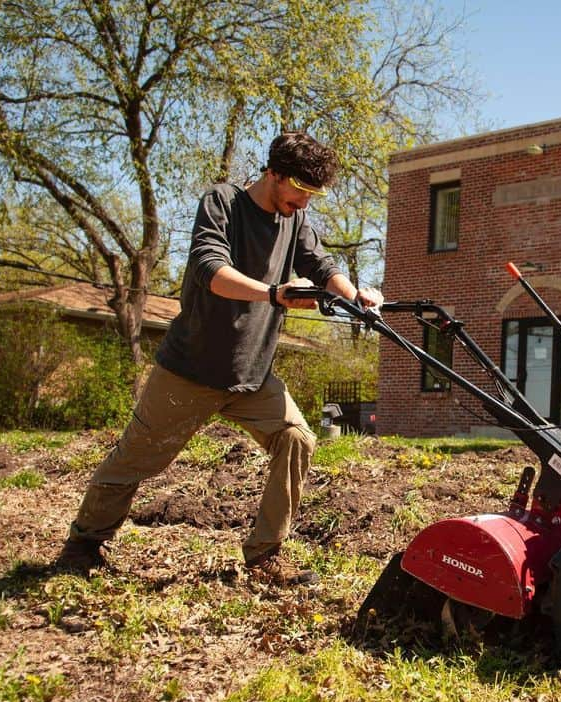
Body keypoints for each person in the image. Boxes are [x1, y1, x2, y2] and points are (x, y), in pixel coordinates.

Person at [57, 132, 382, 585]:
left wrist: (356, 297)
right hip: (191, 370)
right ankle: (83, 544)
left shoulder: (295, 222)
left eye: (313, 195)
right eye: (300, 192)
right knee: (136, 459)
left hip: (251, 375)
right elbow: (210, 268)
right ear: (274, 174)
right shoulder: (223, 203)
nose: (304, 203)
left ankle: (266, 553)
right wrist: (273, 293)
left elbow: (322, 267)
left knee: (297, 438)